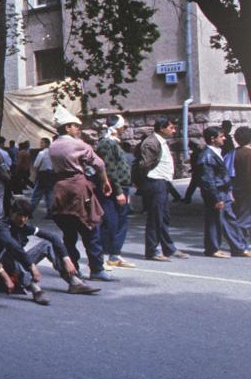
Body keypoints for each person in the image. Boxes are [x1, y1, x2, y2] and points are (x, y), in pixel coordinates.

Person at [0, 198, 99, 304]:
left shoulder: (24, 226)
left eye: (25, 216)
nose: (23, 219)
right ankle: (35, 289)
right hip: (1, 268)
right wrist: (31, 265)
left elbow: (53, 237)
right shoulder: (2, 227)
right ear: (11, 212)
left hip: (18, 264)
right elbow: (12, 246)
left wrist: (66, 258)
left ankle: (73, 282)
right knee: (11, 251)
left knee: (46, 244)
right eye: (19, 215)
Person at [48, 107, 113, 282]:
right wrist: (105, 181)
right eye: (75, 126)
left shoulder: (53, 146)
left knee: (69, 233)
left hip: (61, 188)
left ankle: (73, 268)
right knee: (90, 228)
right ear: (67, 127)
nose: (78, 129)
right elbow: (99, 164)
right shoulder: (78, 144)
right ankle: (97, 268)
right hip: (78, 187)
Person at [138, 117, 189, 261]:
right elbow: (144, 164)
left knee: (163, 217)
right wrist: (145, 181)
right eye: (171, 127)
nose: (173, 130)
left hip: (163, 182)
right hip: (155, 181)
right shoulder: (151, 142)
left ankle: (169, 248)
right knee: (155, 217)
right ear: (161, 128)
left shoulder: (161, 141)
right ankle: (152, 251)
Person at [197, 126, 249, 257]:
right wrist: (216, 198)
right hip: (216, 192)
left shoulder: (216, 152)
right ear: (213, 139)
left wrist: (229, 191)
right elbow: (208, 180)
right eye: (221, 136)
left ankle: (239, 248)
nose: (224, 138)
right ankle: (212, 249)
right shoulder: (207, 155)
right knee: (214, 221)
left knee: (230, 219)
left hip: (223, 191)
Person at [95, 116, 136, 269]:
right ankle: (103, 256)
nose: (124, 130)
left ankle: (115, 254)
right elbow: (109, 169)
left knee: (120, 222)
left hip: (122, 187)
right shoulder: (107, 143)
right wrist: (118, 191)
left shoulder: (114, 143)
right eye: (123, 127)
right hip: (113, 188)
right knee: (110, 222)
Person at [232, 126, 251, 239]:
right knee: (245, 217)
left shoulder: (234, 152)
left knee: (242, 214)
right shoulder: (249, 154)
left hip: (238, 187)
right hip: (247, 189)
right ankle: (238, 242)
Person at [30, 138, 55, 216]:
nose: (40, 144)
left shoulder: (41, 153)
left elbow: (36, 165)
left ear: (47, 144)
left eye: (42, 143)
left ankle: (30, 211)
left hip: (43, 174)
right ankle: (50, 212)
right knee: (49, 194)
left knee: (36, 194)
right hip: (51, 174)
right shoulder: (53, 153)